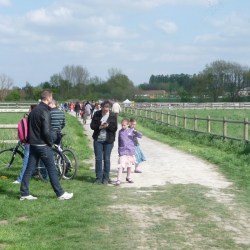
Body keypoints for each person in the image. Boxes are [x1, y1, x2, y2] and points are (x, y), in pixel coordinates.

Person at [20, 90, 73, 200]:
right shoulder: (45, 111)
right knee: (52, 169)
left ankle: (24, 193)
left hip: (33, 145)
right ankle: (60, 193)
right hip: (43, 145)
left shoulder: (33, 111)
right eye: (51, 97)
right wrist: (50, 143)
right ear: (48, 98)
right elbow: (46, 131)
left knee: (29, 169)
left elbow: (30, 128)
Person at [90, 100, 117, 184]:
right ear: (101, 107)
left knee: (107, 158)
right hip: (98, 140)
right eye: (104, 107)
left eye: (107, 107)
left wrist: (108, 126)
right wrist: (99, 126)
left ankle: (106, 178)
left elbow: (114, 128)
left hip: (108, 141)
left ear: (109, 108)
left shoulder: (112, 115)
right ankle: (98, 178)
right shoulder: (97, 114)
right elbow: (92, 126)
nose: (106, 109)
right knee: (98, 159)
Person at [13, 105, 37, 184]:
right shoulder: (37, 118)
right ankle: (42, 176)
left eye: (29, 109)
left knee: (26, 161)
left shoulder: (27, 119)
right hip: (36, 142)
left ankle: (20, 179)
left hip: (28, 142)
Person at [115, 118, 142, 185]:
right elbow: (119, 141)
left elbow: (140, 136)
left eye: (124, 125)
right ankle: (118, 179)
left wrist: (136, 132)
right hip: (122, 151)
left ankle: (128, 177)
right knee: (121, 165)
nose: (123, 126)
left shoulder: (132, 131)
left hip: (130, 151)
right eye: (122, 125)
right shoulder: (120, 132)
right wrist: (119, 150)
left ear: (128, 124)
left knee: (129, 165)